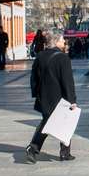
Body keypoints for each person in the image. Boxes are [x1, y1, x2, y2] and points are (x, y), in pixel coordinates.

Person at [26, 31, 77, 163]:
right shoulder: (63, 58)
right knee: (64, 123)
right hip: (60, 98)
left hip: (44, 97)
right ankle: (34, 149)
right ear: (55, 41)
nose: (64, 42)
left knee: (47, 123)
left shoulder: (40, 56)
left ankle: (64, 152)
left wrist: (36, 94)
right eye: (62, 40)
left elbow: (34, 78)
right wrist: (72, 100)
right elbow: (67, 81)